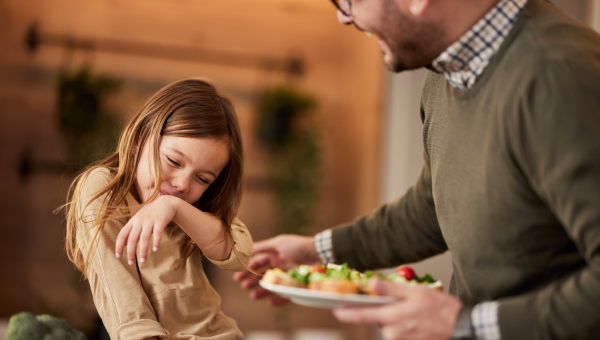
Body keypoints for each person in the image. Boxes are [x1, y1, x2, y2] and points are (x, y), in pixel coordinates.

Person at [234, 0, 600, 339]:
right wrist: (319, 252)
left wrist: (461, 324)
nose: (343, 16)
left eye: (349, 0)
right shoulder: (447, 71)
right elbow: (434, 207)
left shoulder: (559, 77)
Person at [61, 78, 253, 340]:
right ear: (140, 138)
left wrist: (174, 206)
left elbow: (239, 253)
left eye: (203, 179)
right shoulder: (104, 188)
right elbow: (123, 298)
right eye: (174, 161)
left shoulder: (187, 206)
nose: (183, 184)